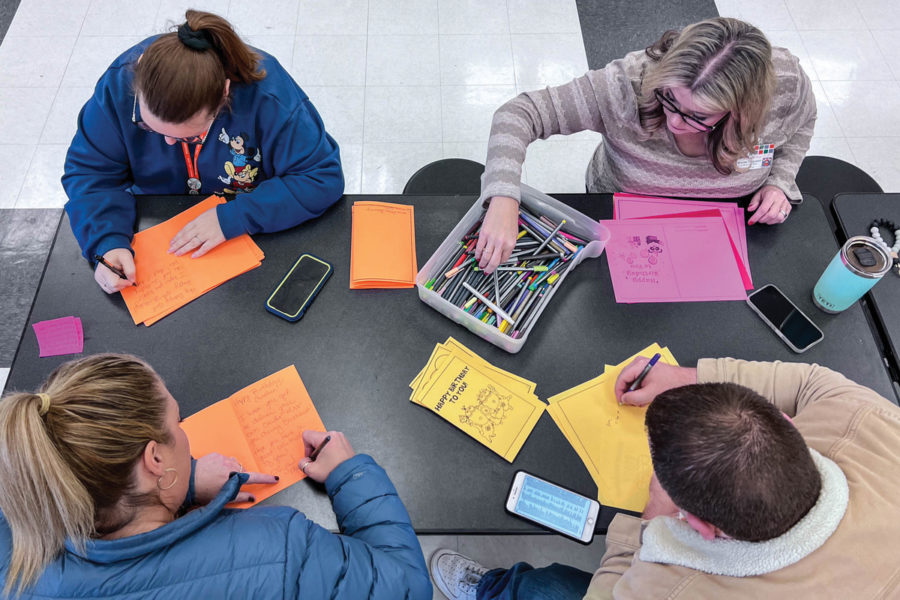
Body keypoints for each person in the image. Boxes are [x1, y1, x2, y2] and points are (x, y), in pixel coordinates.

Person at [430, 357, 900, 599]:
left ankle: (499, 590)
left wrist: (648, 525)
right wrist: (682, 376)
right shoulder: (866, 416)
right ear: (786, 422)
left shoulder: (671, 587)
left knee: (547, 588)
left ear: (700, 526)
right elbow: (809, 380)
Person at [0, 354, 432, 599]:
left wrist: (175, 488)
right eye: (178, 420)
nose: (184, 432)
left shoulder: (17, 523)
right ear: (153, 460)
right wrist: (349, 474)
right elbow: (407, 583)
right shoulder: (276, 551)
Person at [476, 17, 816, 273]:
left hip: (731, 220)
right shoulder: (627, 83)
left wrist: (779, 182)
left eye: (699, 116)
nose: (675, 123)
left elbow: (803, 123)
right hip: (622, 214)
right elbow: (519, 114)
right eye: (669, 98)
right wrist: (504, 195)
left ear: (745, 110)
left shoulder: (784, 85)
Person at [62, 10, 344, 295]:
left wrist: (235, 217)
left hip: (249, 228)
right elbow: (90, 174)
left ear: (224, 95)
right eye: (147, 126)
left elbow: (320, 177)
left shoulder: (271, 98)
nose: (169, 143)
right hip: (153, 219)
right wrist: (107, 239)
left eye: (190, 136)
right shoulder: (118, 88)